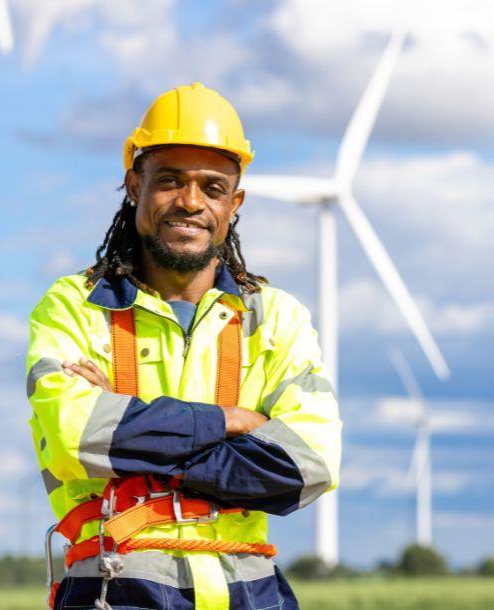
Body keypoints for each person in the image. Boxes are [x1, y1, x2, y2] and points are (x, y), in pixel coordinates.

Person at [26, 82, 342, 610]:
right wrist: (232, 422)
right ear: (134, 186)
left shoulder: (276, 316)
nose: (190, 201)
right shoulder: (74, 306)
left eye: (212, 187)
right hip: (115, 586)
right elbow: (73, 436)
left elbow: (307, 466)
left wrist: (133, 440)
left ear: (234, 202)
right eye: (169, 181)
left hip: (253, 591)